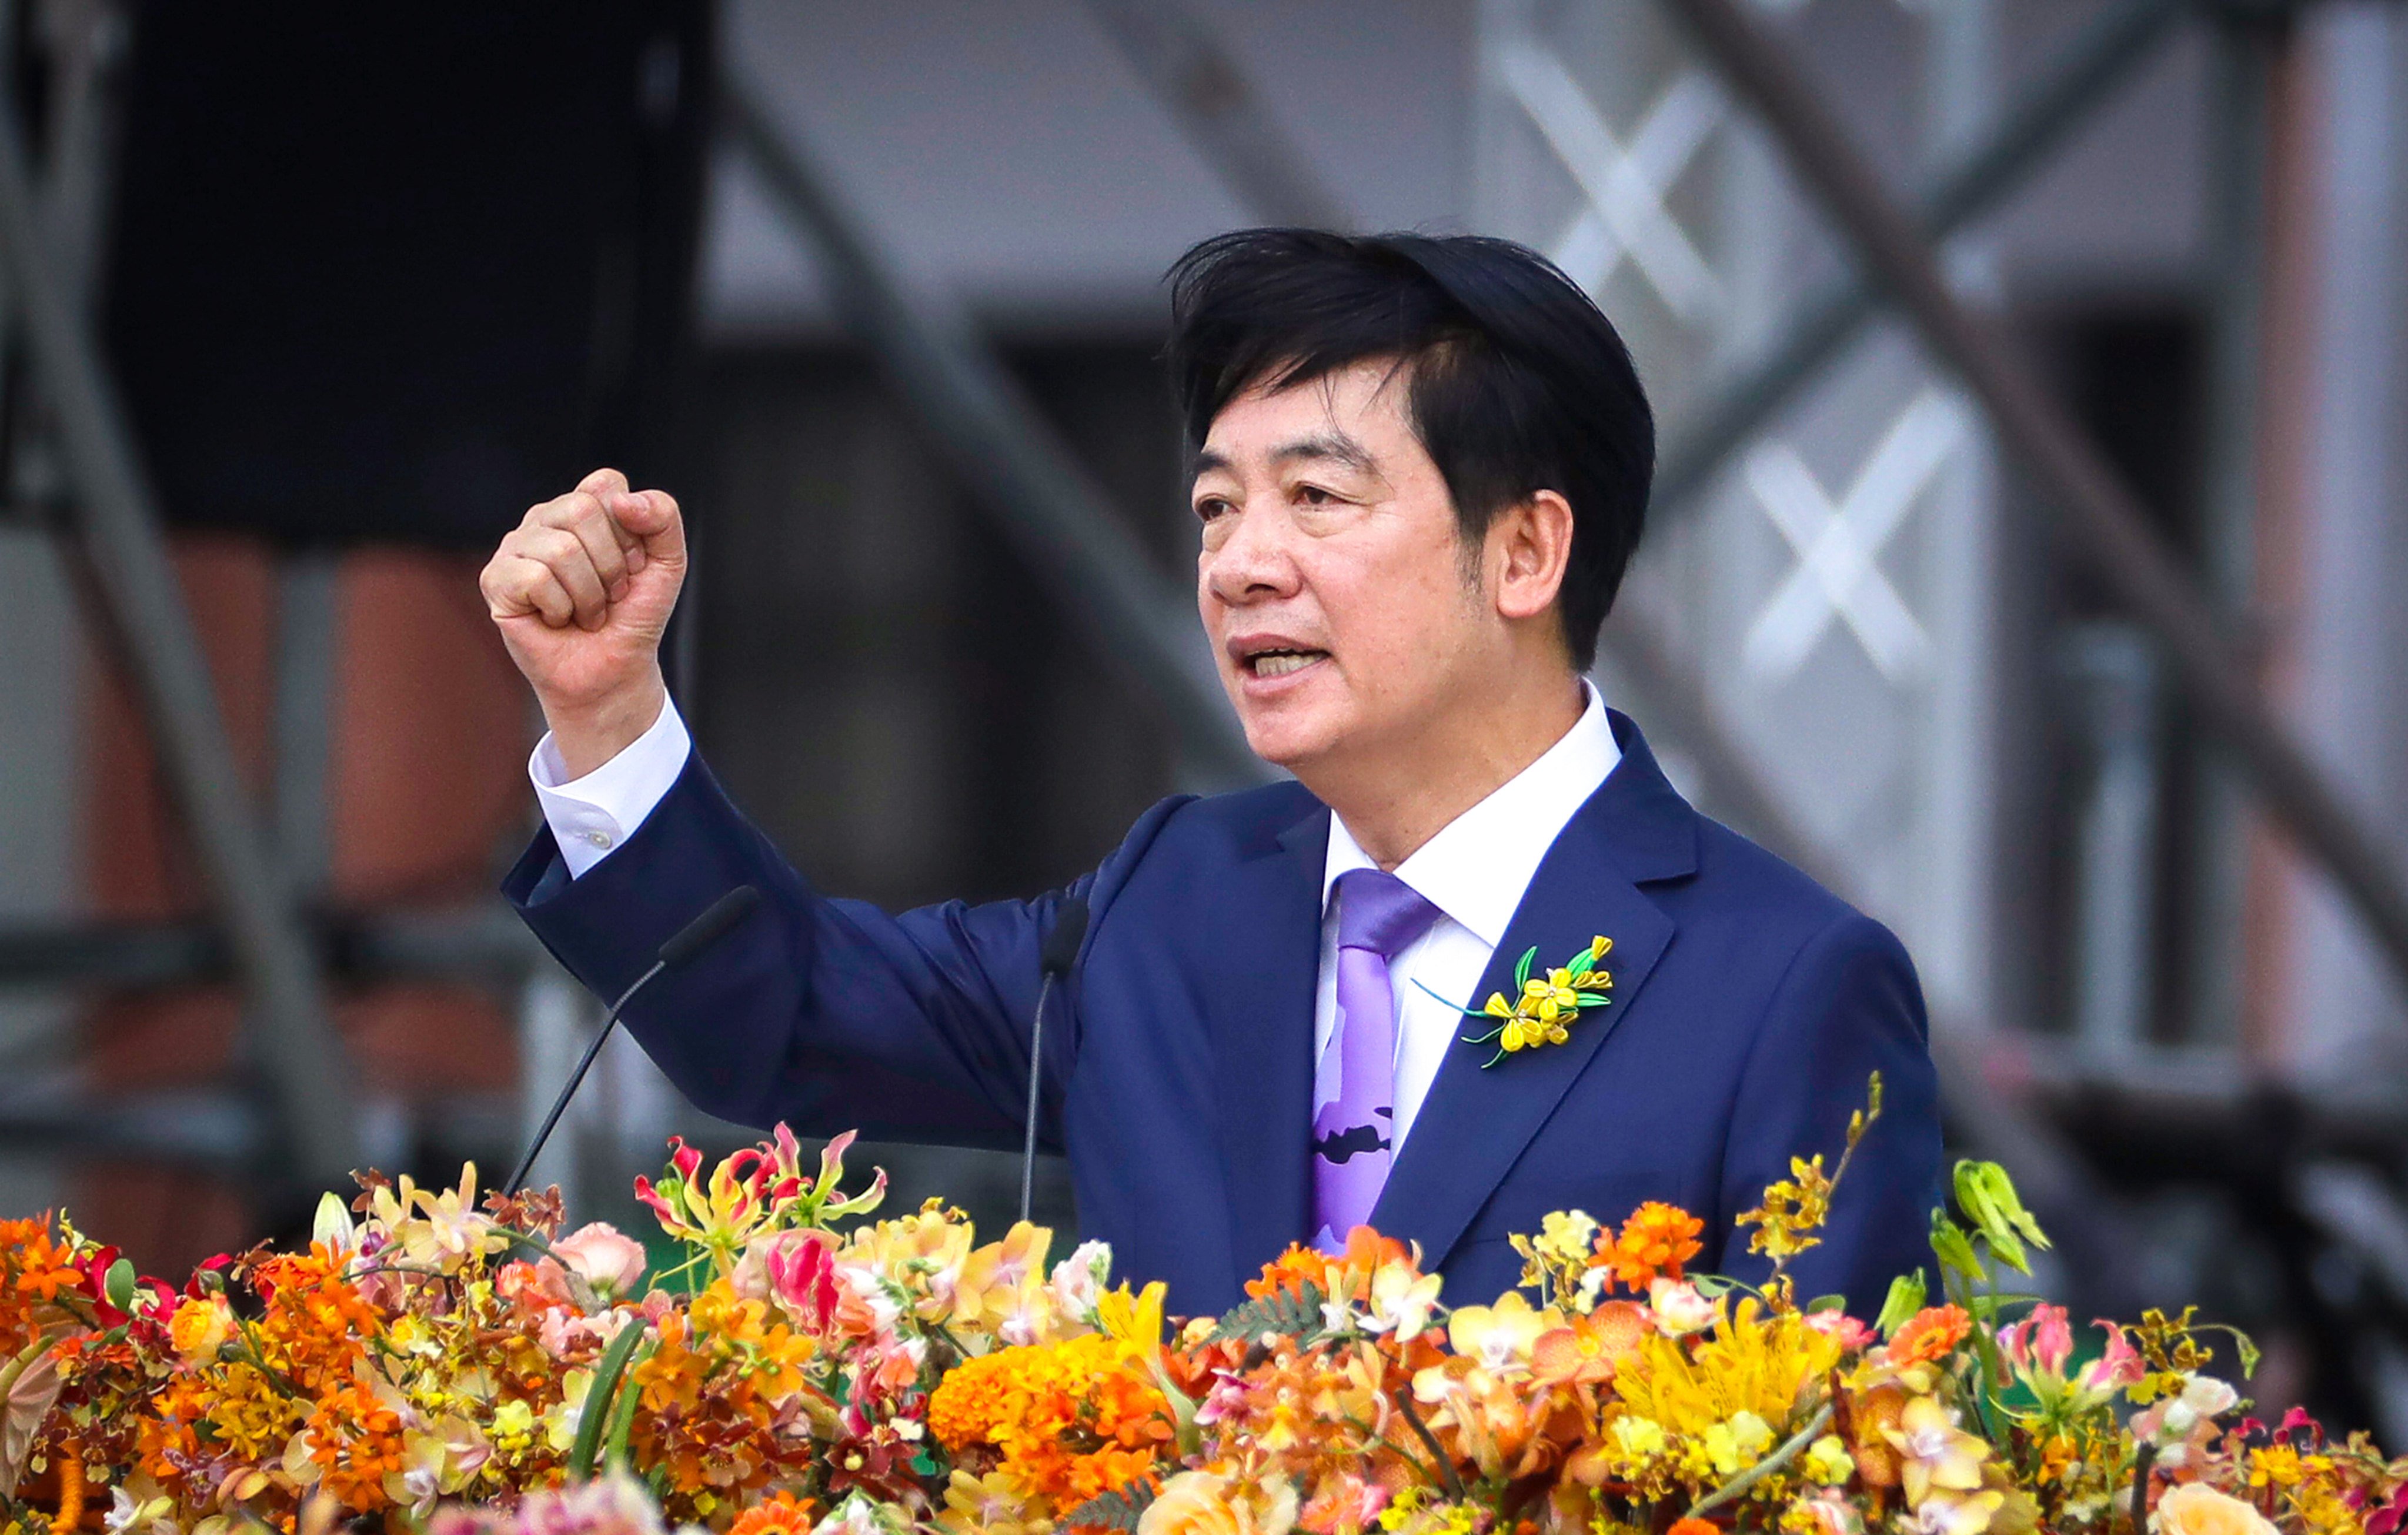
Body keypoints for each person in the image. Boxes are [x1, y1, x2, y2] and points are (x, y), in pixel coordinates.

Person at [482, 228, 1941, 1317]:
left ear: (1524, 551)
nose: (1240, 565)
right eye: (1214, 507)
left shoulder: (1778, 988)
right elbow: (784, 1019)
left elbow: (1813, 1460)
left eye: (1314, 497)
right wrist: (609, 708)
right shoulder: (1170, 902)